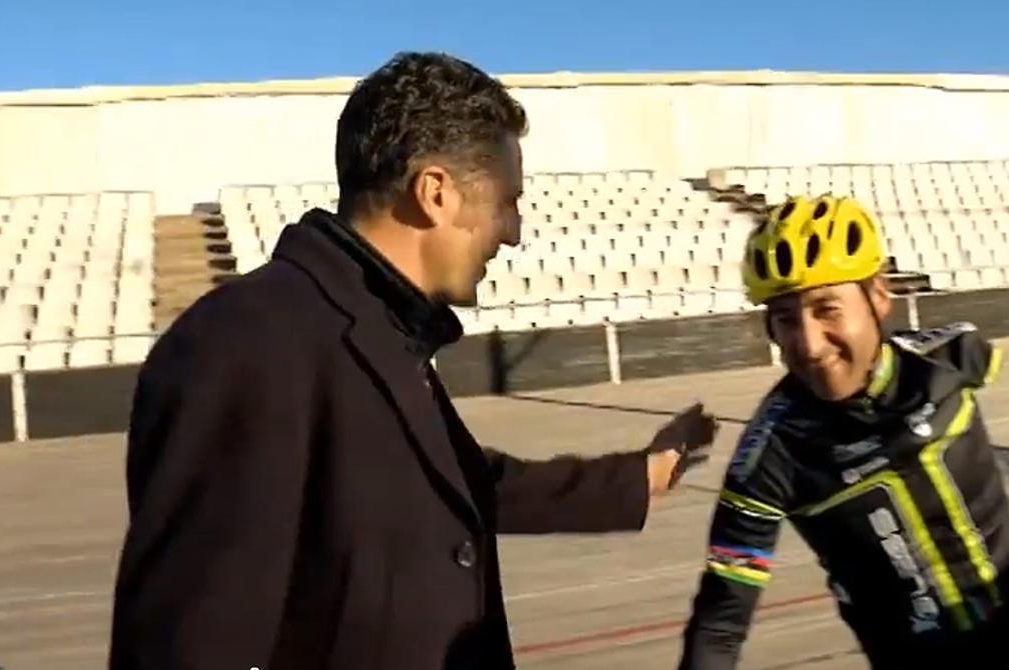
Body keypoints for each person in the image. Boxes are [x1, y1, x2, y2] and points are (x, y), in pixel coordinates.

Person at [108, 51, 718, 670]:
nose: (513, 231)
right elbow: (187, 642)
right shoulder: (246, 341)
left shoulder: (378, 327)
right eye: (506, 201)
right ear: (434, 193)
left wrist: (635, 478)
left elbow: (456, 484)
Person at [676, 194, 1009, 669]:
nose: (809, 344)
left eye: (827, 309)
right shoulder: (767, 457)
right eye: (785, 319)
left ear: (879, 296)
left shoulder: (955, 355)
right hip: (925, 655)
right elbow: (721, 623)